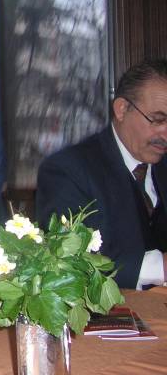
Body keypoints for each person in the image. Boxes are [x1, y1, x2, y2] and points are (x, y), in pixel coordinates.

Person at [37, 58, 167, 289]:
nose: (165, 135)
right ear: (122, 109)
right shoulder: (67, 170)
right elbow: (73, 262)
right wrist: (161, 268)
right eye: (157, 120)